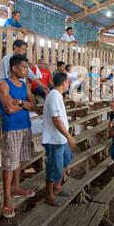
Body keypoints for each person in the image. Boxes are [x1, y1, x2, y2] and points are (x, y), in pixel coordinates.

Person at [0, 54, 36, 218]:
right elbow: (9, 109)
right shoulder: (3, 84)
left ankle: (16, 187)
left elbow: (34, 104)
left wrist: (19, 102)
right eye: (24, 67)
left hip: (25, 126)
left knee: (18, 160)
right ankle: (7, 197)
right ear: (14, 68)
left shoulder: (25, 85)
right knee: (9, 163)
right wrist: (24, 104)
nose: (27, 70)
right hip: (11, 127)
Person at [42, 72, 76, 207]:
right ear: (64, 82)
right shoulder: (54, 96)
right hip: (54, 140)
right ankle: (49, 196)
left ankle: (58, 187)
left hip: (60, 139)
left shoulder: (57, 95)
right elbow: (56, 119)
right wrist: (69, 136)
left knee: (64, 161)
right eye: (68, 81)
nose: (69, 84)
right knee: (52, 168)